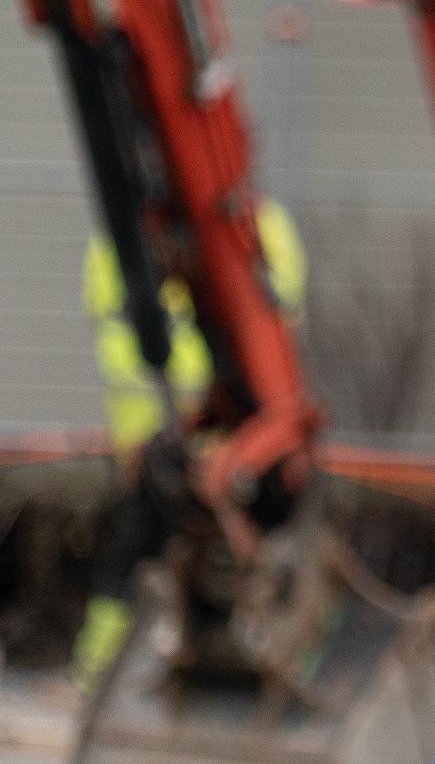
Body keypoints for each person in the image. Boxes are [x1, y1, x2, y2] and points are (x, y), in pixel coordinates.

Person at [69, 198, 307, 692]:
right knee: (149, 546)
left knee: (144, 547)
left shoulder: (128, 237)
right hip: (195, 423)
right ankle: (104, 669)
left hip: (198, 423)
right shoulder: (256, 226)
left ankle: (101, 670)